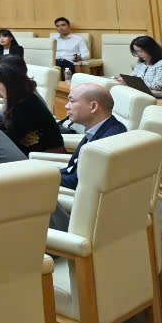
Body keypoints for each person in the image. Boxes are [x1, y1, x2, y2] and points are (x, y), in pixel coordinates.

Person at [51, 82, 127, 228]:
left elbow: (78, 182)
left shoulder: (105, 143)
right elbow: (75, 170)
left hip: (85, 211)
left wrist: (44, 177)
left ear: (93, 107)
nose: (66, 106)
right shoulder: (104, 128)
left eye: (72, 101)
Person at [0, 59, 65, 154]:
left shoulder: (25, 103)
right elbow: (8, 125)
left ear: (9, 84)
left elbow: (12, 135)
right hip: (29, 150)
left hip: (44, 155)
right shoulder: (20, 97)